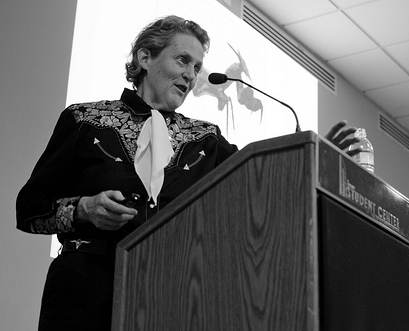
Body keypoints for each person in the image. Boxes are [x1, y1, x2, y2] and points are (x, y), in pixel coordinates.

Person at [16, 15, 359, 331]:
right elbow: (29, 208)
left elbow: (260, 185)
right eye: (183, 60)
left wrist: (315, 156)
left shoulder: (206, 140)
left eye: (196, 67)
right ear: (145, 58)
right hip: (84, 290)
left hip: (174, 295)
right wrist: (83, 208)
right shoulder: (83, 119)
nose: (191, 75)